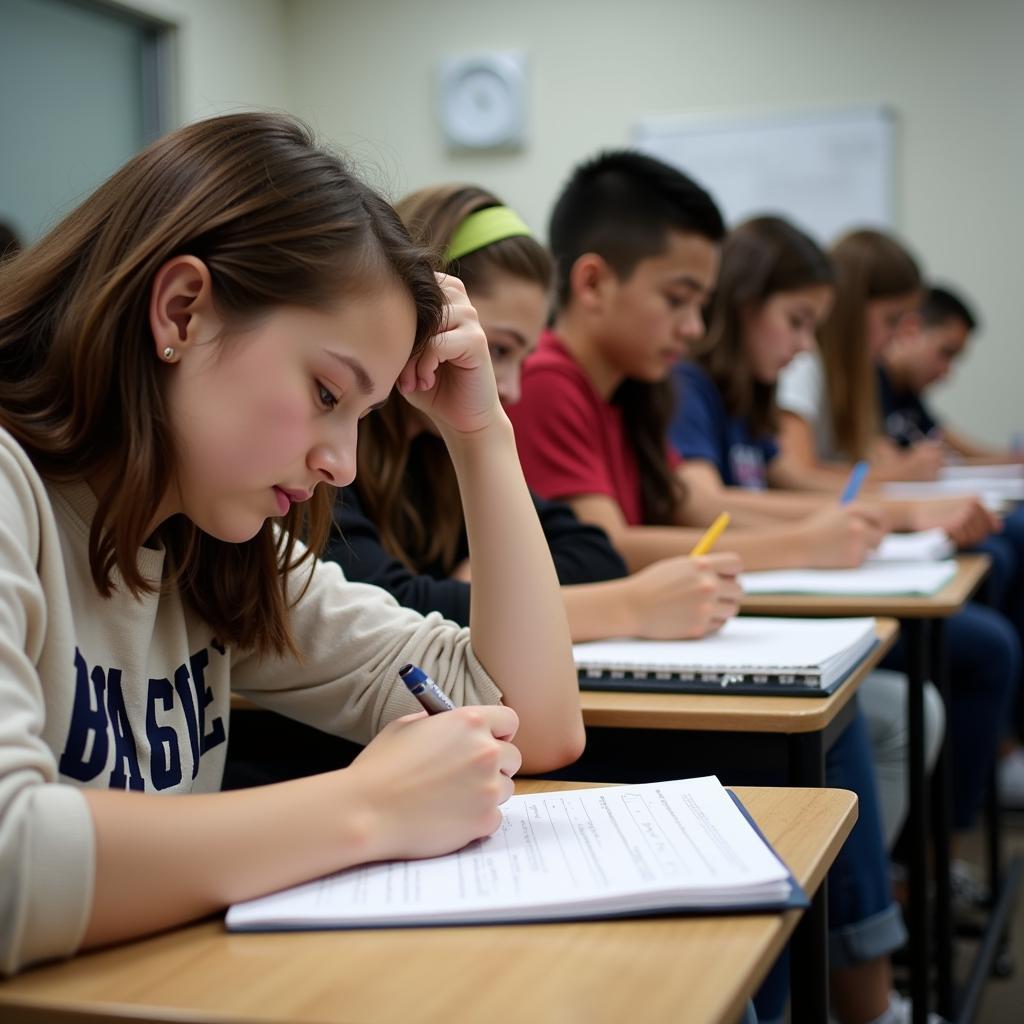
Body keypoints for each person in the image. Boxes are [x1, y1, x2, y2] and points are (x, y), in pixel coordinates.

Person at [0, 113, 585, 976]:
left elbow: (531, 720)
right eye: (324, 391)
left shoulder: (211, 540)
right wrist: (366, 807)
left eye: (364, 415)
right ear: (183, 309)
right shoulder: (18, 493)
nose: (341, 464)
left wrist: (481, 434)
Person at [508, 150, 917, 1024]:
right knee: (838, 739)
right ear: (593, 283)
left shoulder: (633, 392)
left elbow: (666, 519)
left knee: (864, 718)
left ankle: (841, 979)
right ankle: (858, 997)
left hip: (618, 655)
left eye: (703, 302)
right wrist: (802, 542)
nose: (695, 327)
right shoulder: (547, 381)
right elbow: (604, 546)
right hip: (583, 690)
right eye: (679, 298)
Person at [329, 183, 742, 643]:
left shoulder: (436, 450)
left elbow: (593, 552)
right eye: (496, 351)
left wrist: (474, 587)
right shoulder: (330, 451)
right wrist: (629, 608)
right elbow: (388, 611)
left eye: (519, 358)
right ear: (422, 318)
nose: (510, 388)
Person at [668, 215, 945, 849]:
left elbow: (780, 484)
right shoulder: (688, 385)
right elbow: (700, 505)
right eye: (795, 322)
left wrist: (849, 519)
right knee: (921, 692)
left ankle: (874, 907)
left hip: (741, 600)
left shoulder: (749, 397)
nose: (803, 345)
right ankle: (869, 920)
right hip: (721, 611)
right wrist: (825, 532)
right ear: (742, 306)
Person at [774, 229, 1022, 813]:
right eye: (891, 321)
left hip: (843, 548)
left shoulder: (849, 373)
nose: (895, 338)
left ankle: (949, 829)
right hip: (818, 561)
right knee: (988, 640)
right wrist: (900, 496)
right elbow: (791, 474)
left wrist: (890, 479)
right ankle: (951, 831)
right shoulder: (802, 369)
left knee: (997, 573)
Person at [879, 284, 1023, 463]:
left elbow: (960, 449)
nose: (946, 372)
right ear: (911, 330)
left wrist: (1013, 459)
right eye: (945, 353)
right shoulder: (870, 381)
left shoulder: (907, 390)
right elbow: (881, 461)